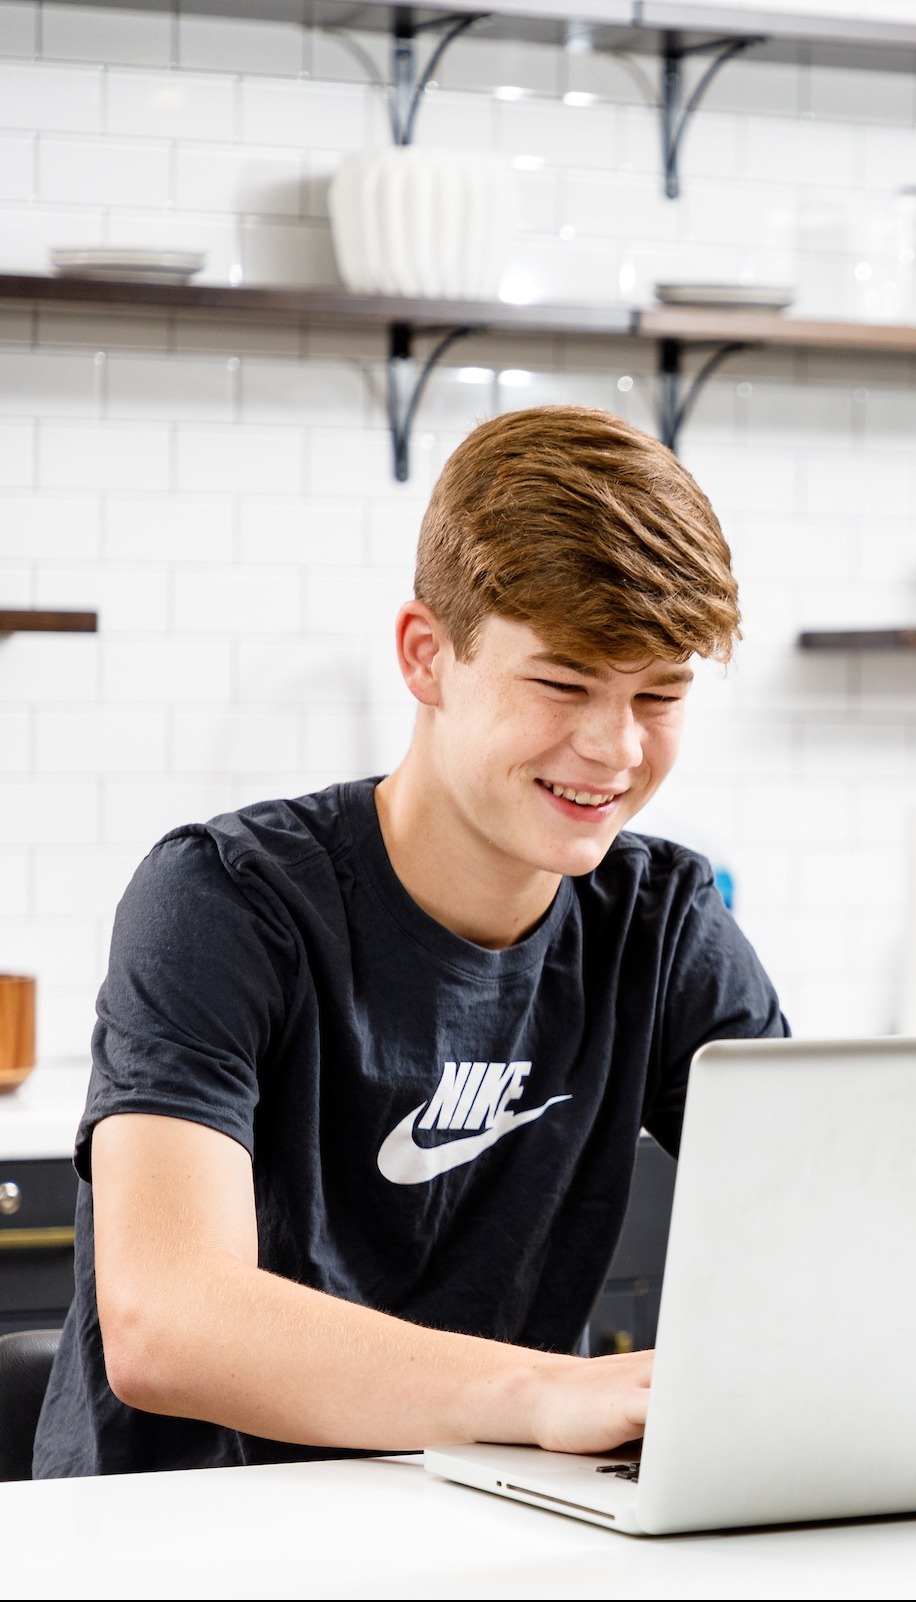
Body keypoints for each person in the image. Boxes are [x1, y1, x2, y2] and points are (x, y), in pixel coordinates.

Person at [34, 406, 787, 1477]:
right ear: (427, 656)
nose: (616, 747)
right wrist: (541, 1390)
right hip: (189, 1531)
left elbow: (831, 1215)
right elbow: (168, 1322)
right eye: (564, 683)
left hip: (484, 1523)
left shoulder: (663, 925)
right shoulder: (222, 900)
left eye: (658, 694)